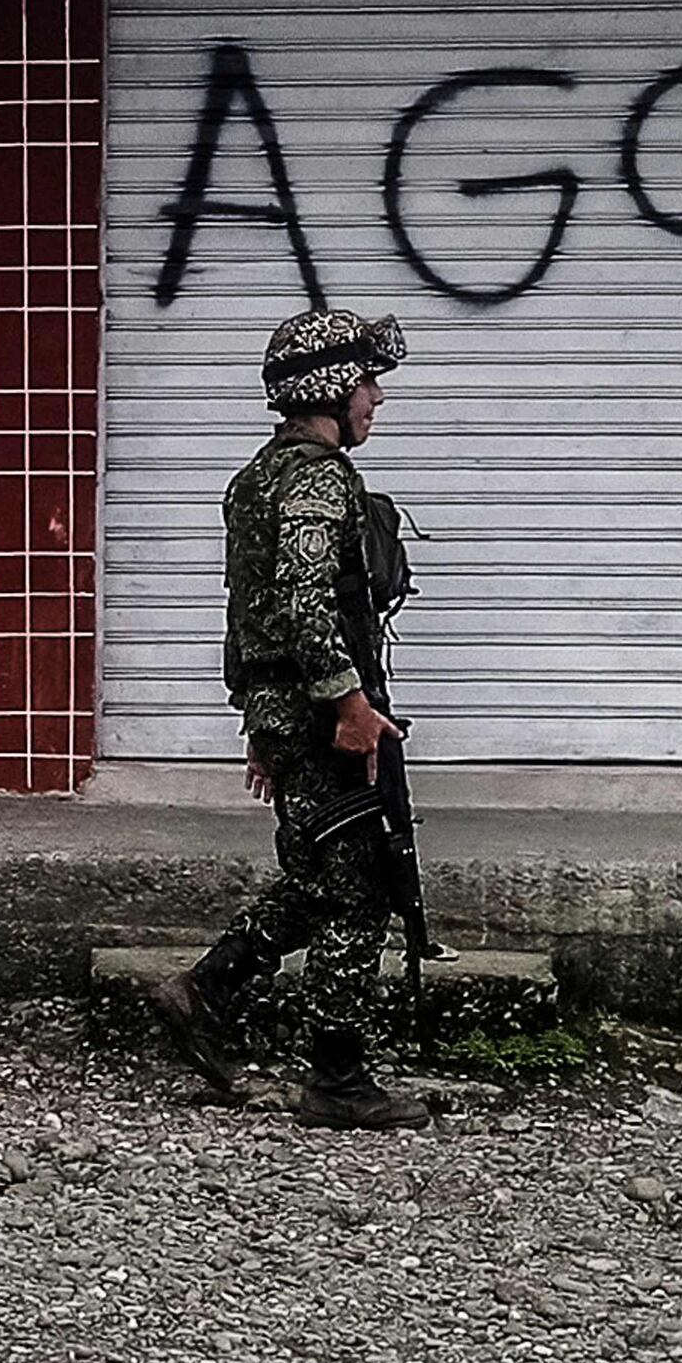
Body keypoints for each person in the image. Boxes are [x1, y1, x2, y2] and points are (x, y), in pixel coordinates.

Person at [150, 306, 431, 1131]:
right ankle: (338, 1079)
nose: (377, 397)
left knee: (318, 875)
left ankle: (207, 990)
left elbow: (250, 612)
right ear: (332, 388)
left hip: (288, 709)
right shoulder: (317, 479)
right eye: (367, 381)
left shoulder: (258, 478)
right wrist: (348, 703)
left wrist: (262, 722)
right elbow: (305, 603)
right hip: (322, 713)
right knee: (359, 890)